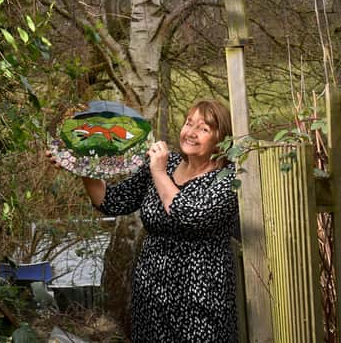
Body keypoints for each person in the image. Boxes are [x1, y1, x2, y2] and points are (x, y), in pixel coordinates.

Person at [49, 99, 239, 342]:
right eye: (188, 123)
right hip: (151, 296)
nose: (191, 133)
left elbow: (188, 216)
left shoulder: (227, 178)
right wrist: (79, 163)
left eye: (203, 128)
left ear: (221, 138)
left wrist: (158, 173)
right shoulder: (167, 163)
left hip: (200, 299)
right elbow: (111, 201)